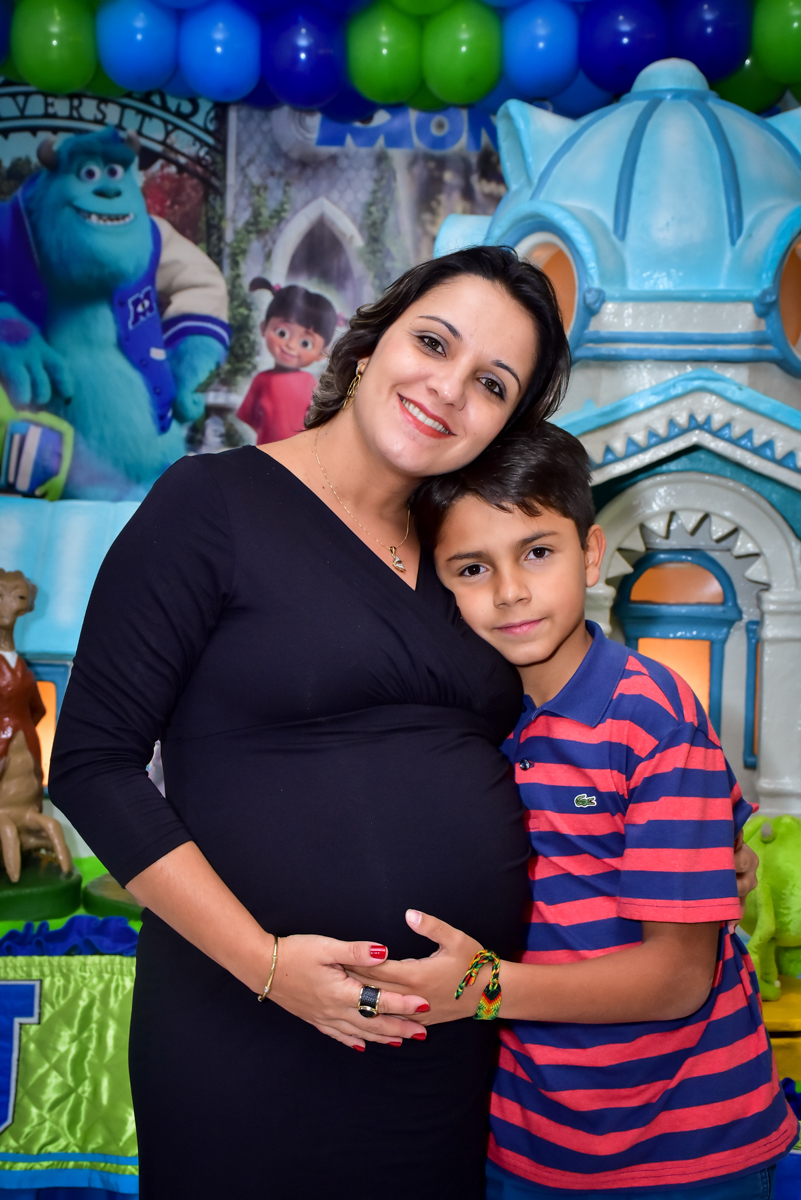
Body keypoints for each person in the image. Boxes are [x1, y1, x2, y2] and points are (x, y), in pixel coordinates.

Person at [48, 246, 572, 1199]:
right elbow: (92, 763)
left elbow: (562, 730)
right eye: (433, 343)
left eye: (491, 383)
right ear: (369, 345)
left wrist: (678, 830)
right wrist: (266, 967)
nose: (448, 389)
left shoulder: (470, 558)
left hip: (441, 1046)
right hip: (245, 1024)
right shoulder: (209, 505)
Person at [357, 424, 794, 1199]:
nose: (509, 591)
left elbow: (676, 977)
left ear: (590, 554)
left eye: (536, 551)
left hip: (689, 1141)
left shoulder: (651, 715)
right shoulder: (467, 724)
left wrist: (484, 989)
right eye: (471, 567)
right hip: (529, 1140)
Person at [236, 278, 338, 443]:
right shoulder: (261, 380)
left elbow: (319, 419)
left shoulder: (311, 383)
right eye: (282, 333)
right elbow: (249, 417)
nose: (290, 345)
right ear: (263, 327)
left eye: (305, 343)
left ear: (322, 353)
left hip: (300, 451)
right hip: (266, 450)